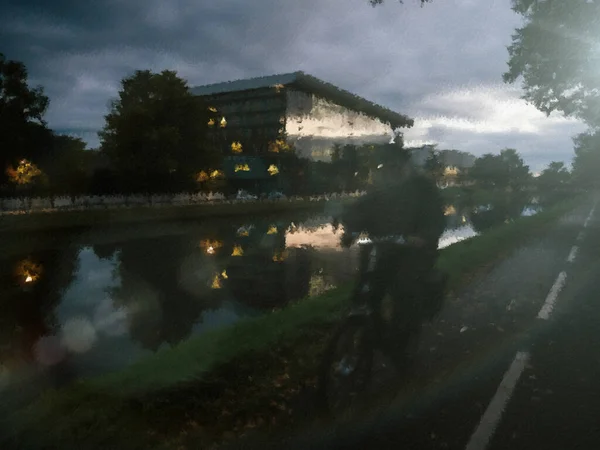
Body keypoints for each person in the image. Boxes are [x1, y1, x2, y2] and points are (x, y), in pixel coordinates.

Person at [336, 143, 447, 337]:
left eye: (395, 165)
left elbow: (436, 218)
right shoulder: (379, 189)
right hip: (381, 250)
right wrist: (350, 230)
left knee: (405, 289)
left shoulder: (423, 188)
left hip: (414, 252)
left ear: (405, 166)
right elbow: (360, 209)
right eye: (385, 166)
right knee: (364, 290)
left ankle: (404, 340)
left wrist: (423, 237)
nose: (390, 170)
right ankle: (364, 329)